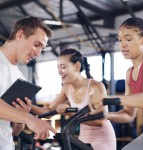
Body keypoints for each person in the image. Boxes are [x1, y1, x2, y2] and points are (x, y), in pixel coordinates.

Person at [31, 48, 116, 150]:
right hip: (84, 137)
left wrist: (69, 112)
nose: (59, 71)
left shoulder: (95, 86)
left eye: (63, 67)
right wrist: (29, 106)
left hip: (103, 138)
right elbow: (49, 110)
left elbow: (100, 121)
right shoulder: (67, 87)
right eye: (58, 67)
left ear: (77, 66)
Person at [89, 17, 143, 150]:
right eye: (120, 40)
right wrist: (105, 115)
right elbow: (128, 114)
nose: (122, 44)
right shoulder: (129, 73)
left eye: (128, 39)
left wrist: (108, 99)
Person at [0, 16, 56, 150]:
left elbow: (14, 131)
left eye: (41, 48)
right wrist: (29, 118)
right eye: (37, 45)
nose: (38, 53)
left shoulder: (20, 77)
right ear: (20, 35)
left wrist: (21, 117)